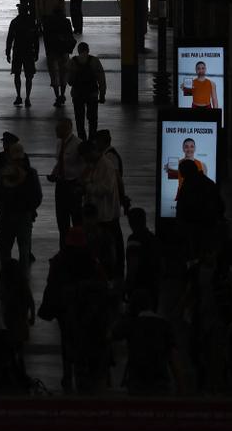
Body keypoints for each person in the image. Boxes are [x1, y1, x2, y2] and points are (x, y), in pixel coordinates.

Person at [37, 226, 109, 393]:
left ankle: (67, 374)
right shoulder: (91, 260)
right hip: (86, 309)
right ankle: (82, 374)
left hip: (65, 309)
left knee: (66, 341)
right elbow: (102, 282)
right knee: (85, 341)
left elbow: (52, 283)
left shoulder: (59, 259)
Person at [113, 289, 181, 395]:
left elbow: (113, 334)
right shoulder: (164, 325)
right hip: (160, 380)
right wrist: (180, 384)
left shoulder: (131, 324)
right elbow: (173, 357)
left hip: (137, 381)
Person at [0, 139, 42, 270]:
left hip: (7, 217)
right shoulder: (31, 174)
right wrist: (29, 208)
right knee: (24, 250)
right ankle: (23, 280)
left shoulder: (3, 173)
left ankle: (6, 279)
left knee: (5, 250)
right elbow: (38, 197)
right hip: (24, 217)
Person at [84, 129, 128, 279]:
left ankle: (113, 273)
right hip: (103, 212)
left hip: (106, 213)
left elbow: (110, 186)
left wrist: (88, 186)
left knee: (111, 244)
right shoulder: (100, 162)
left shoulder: (108, 161)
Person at [48, 118, 83, 236]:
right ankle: (64, 248)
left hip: (73, 185)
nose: (55, 131)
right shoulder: (59, 143)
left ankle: (78, 246)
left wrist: (80, 184)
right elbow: (60, 161)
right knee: (62, 221)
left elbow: (84, 166)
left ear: (66, 129)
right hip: (61, 184)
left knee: (76, 219)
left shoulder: (78, 144)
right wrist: (54, 173)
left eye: (58, 129)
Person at [5, 4, 42, 107]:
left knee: (17, 74)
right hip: (29, 51)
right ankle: (27, 98)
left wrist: (8, 52)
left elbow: (9, 39)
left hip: (18, 51)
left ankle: (19, 96)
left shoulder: (15, 22)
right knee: (29, 76)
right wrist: (37, 52)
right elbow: (36, 39)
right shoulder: (31, 22)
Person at [67, 43, 106, 140]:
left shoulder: (73, 61)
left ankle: (82, 140)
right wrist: (102, 94)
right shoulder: (94, 61)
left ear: (78, 50)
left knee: (79, 119)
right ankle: (92, 139)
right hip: (92, 94)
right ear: (88, 50)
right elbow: (101, 79)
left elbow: (70, 81)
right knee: (92, 119)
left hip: (77, 94)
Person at [124, 206, 161, 307]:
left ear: (131, 223)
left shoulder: (133, 240)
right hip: (153, 286)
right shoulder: (154, 239)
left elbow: (132, 267)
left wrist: (127, 286)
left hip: (138, 287)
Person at [0, 257, 36, 347]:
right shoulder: (23, 283)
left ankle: (14, 356)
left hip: (10, 315)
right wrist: (32, 316)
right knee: (20, 338)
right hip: (21, 315)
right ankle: (19, 355)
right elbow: (31, 301)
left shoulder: (6, 284)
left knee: (11, 336)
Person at [41, 11, 75, 105]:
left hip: (52, 51)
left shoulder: (48, 23)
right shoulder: (66, 22)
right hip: (64, 51)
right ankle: (62, 94)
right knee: (63, 73)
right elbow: (70, 36)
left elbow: (46, 38)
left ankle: (57, 96)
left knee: (54, 74)